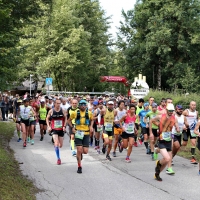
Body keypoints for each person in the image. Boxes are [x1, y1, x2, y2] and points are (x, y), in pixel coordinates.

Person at [149, 104, 179, 181]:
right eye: (169, 111)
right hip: (162, 140)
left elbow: (176, 124)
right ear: (166, 110)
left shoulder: (174, 118)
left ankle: (157, 174)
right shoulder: (160, 116)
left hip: (169, 140)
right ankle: (158, 163)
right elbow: (151, 121)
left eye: (172, 111)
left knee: (166, 161)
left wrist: (177, 128)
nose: (170, 112)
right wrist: (151, 133)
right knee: (167, 158)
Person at [68, 99, 93, 173]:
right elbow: (69, 120)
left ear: (86, 105)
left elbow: (92, 120)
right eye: (81, 105)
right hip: (78, 132)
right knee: (79, 149)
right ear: (79, 106)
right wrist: (72, 127)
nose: (83, 106)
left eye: (84, 105)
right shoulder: (75, 112)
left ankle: (80, 154)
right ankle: (79, 166)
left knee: (85, 151)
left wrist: (91, 126)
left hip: (86, 133)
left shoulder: (89, 113)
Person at [166, 105, 189, 174]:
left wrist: (186, 126)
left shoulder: (183, 117)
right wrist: (176, 127)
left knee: (177, 147)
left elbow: (187, 124)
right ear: (176, 110)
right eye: (179, 109)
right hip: (173, 133)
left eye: (181, 109)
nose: (181, 110)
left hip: (179, 134)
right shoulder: (173, 116)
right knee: (175, 146)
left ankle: (170, 158)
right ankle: (169, 163)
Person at [46, 99, 67, 165]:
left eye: (59, 103)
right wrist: (49, 126)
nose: (58, 105)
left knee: (60, 145)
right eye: (57, 103)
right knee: (56, 143)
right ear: (54, 103)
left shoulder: (63, 111)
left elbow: (66, 118)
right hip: (54, 129)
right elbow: (47, 118)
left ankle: (56, 146)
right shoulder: (51, 111)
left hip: (61, 129)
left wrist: (64, 126)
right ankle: (58, 158)